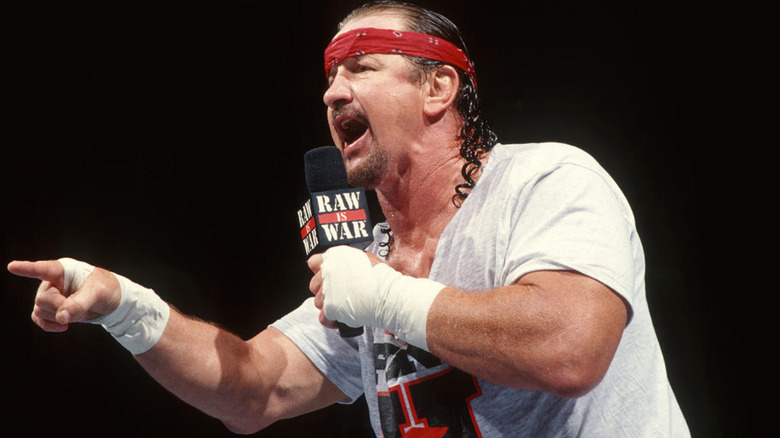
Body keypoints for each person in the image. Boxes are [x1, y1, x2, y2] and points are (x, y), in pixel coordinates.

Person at [8, 1, 690, 436]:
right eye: (330, 77)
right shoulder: (368, 258)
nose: (334, 91)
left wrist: (382, 295)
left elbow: (572, 346)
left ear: (438, 87)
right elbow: (253, 387)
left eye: (361, 67)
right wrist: (126, 306)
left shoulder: (545, 180)